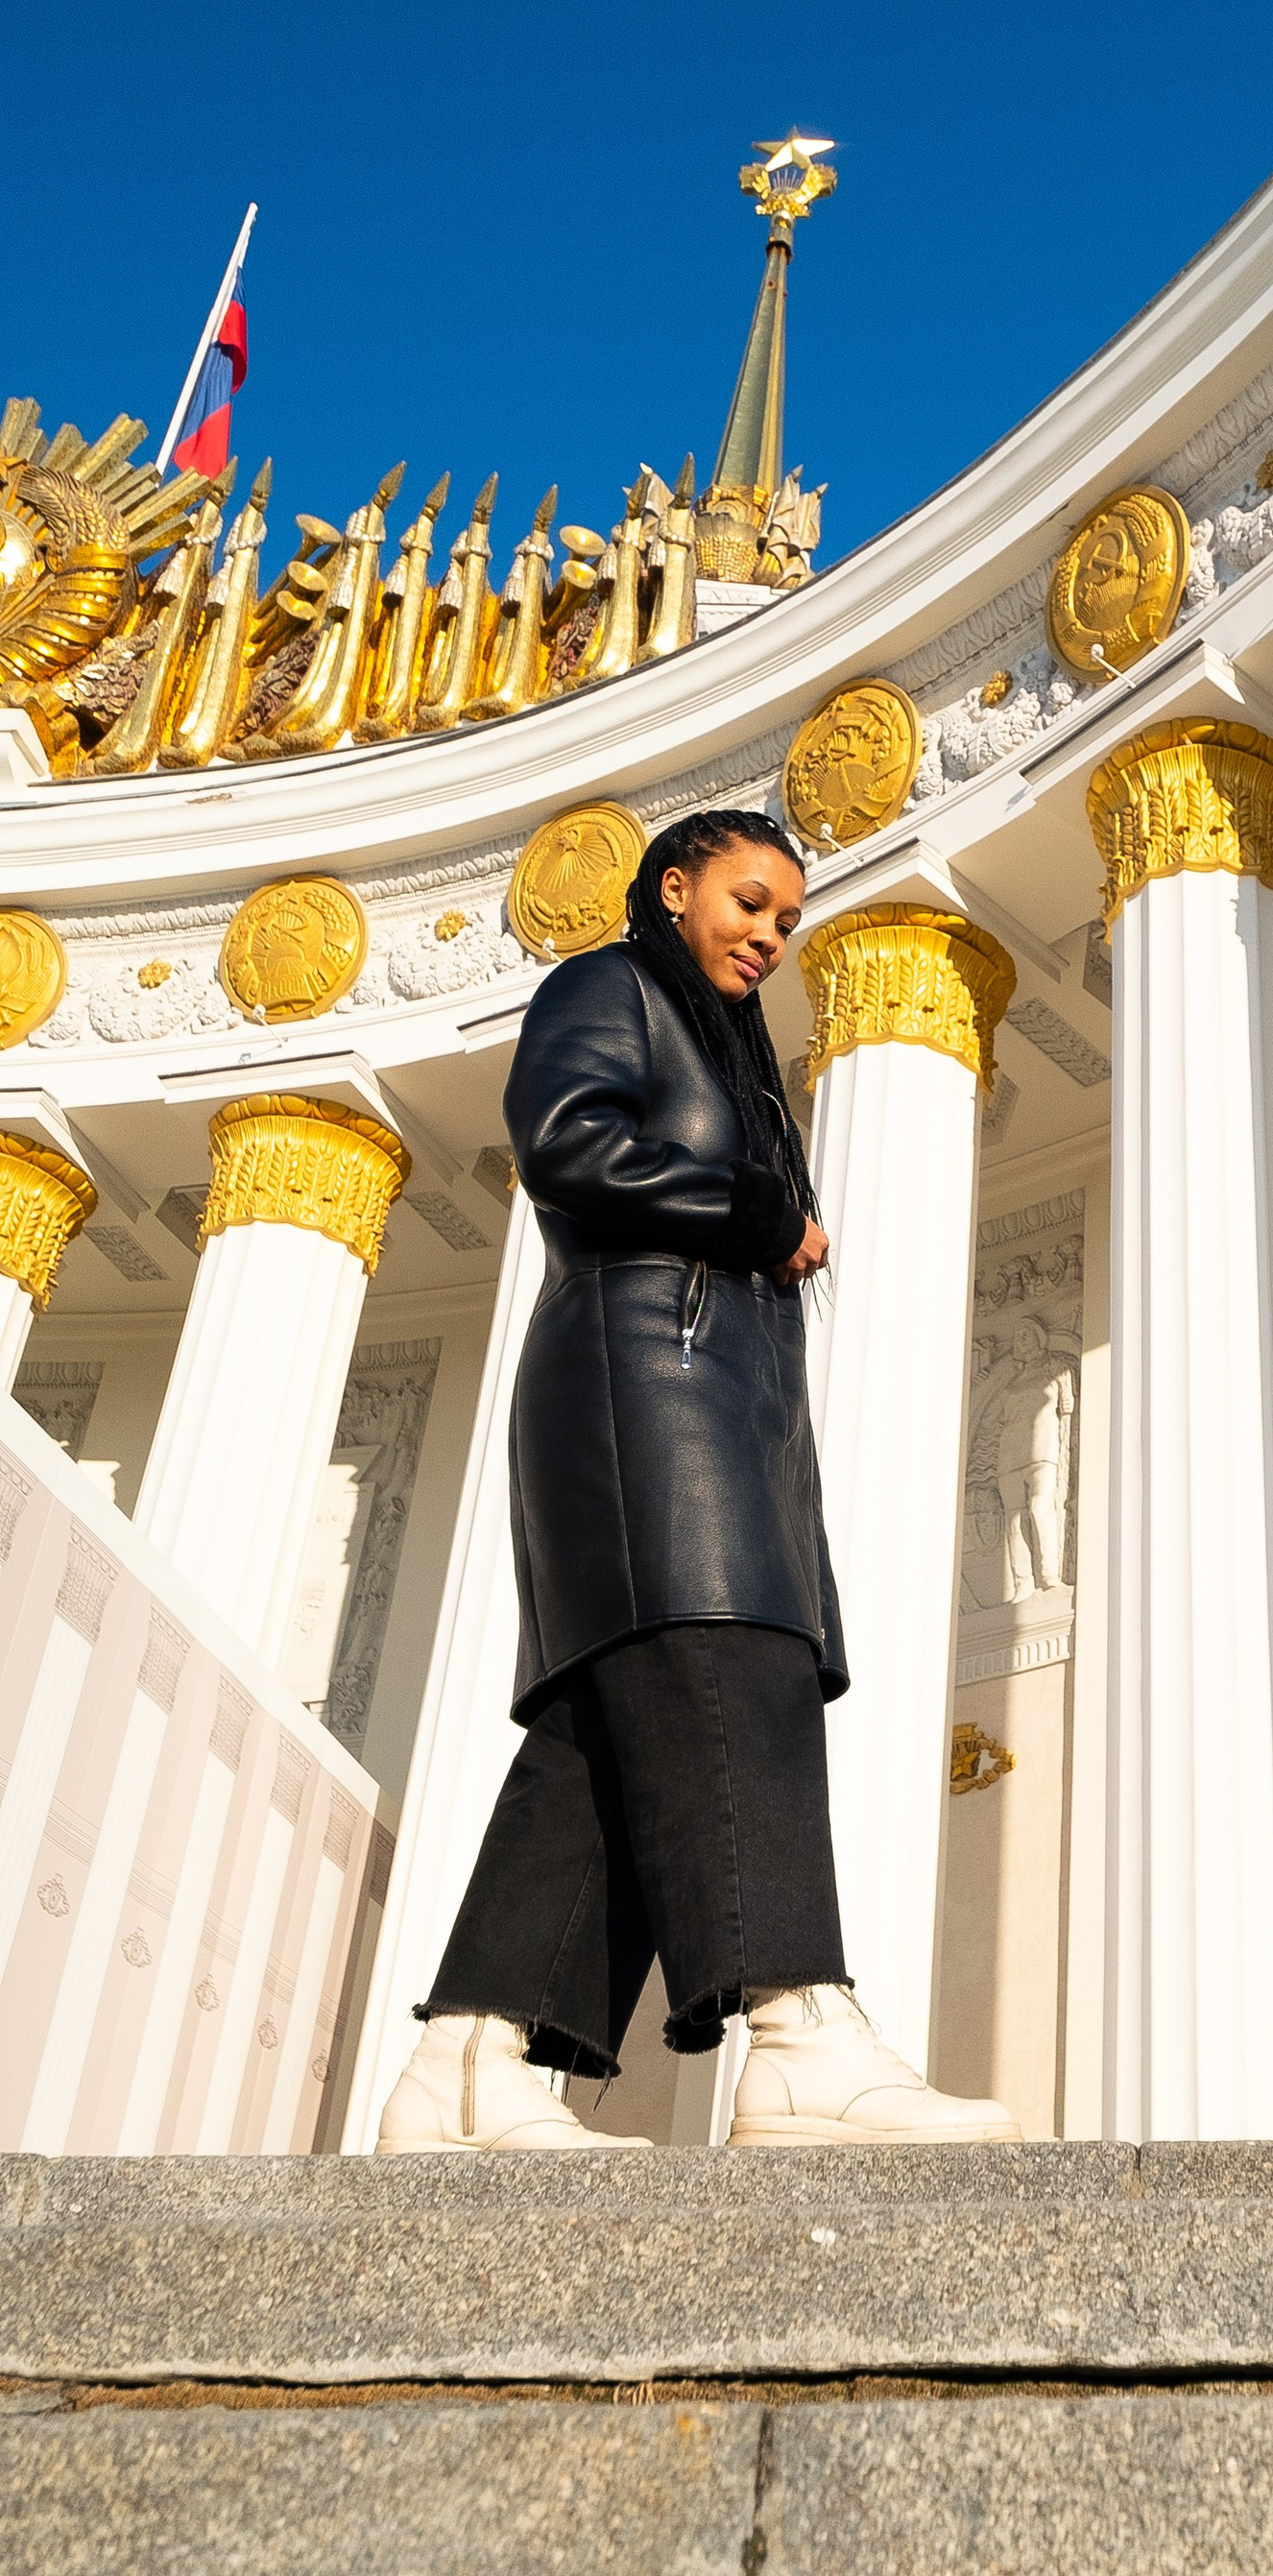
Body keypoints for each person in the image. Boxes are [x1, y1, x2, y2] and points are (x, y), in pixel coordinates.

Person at [377, 807, 1018, 2153]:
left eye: (788, 920)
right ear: (674, 888)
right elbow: (567, 1141)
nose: (770, 935)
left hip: (709, 1390)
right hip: (643, 1385)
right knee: (738, 1663)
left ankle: (466, 2067)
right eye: (748, 902)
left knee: (609, 1727)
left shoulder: (723, 1039)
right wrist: (759, 1209)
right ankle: (798, 2035)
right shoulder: (608, 986)